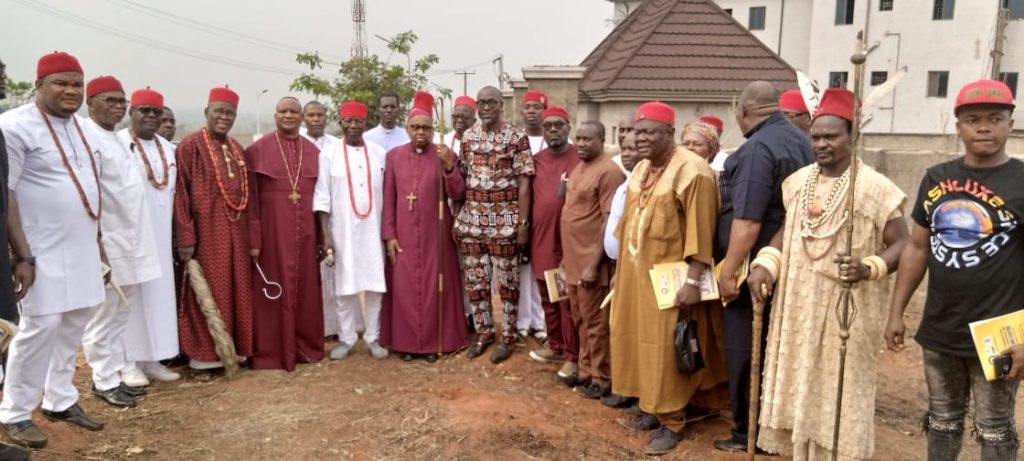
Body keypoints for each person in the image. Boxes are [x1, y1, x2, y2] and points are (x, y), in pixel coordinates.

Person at [748, 88, 909, 460]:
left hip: (845, 306)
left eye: (831, 136)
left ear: (852, 136)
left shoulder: (874, 188)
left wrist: (870, 267)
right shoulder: (798, 182)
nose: (821, 144)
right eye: (816, 136)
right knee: (798, 384)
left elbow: (903, 244)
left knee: (840, 390)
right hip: (797, 305)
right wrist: (765, 264)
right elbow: (787, 231)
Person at [885, 79, 1022, 460]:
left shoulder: (1022, 181)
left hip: (1000, 332)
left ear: (1010, 123)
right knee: (943, 419)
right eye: (973, 119)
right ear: (958, 125)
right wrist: (896, 312)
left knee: (995, 427)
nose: (983, 127)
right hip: (941, 326)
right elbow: (916, 247)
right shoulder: (937, 177)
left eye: (995, 118)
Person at [0, 51, 106, 448]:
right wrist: (20, 254)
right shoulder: (13, 126)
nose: (70, 91)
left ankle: (61, 398)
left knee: (74, 322)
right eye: (60, 83)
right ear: (39, 85)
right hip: (38, 248)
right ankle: (15, 410)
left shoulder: (83, 127)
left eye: (77, 84)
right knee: (38, 328)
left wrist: (97, 241)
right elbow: (5, 192)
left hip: (81, 245)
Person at [610, 101, 725, 456]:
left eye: (648, 132)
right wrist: (619, 275)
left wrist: (691, 283)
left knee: (666, 347)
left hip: (670, 280)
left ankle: (673, 420)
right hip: (634, 275)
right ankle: (651, 405)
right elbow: (629, 225)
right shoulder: (642, 168)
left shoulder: (694, 172)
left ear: (670, 134)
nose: (639, 139)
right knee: (633, 339)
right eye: (636, 131)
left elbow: (702, 233)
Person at [714, 81, 814, 453]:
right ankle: (774, 427)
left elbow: (749, 220)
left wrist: (728, 272)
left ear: (742, 110)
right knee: (777, 347)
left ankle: (746, 432)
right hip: (793, 261)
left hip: (757, 268)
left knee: (745, 348)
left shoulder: (758, 148)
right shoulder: (801, 139)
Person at [82, 76, 161, 408]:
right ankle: (102, 378)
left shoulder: (116, 139)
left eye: (121, 101)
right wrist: (98, 243)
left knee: (119, 314)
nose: (117, 106)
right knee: (102, 315)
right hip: (108, 242)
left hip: (132, 241)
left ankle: (114, 372)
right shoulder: (86, 138)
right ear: (91, 103)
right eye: (109, 100)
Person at [380, 91, 469, 362]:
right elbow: (389, 199)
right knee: (405, 290)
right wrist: (389, 236)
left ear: (433, 130)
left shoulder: (445, 153)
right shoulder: (393, 156)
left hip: (436, 235)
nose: (421, 132)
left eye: (426, 128)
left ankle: (434, 344)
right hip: (404, 235)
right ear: (407, 129)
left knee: (435, 287)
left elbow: (458, 193)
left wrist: (450, 167)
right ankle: (406, 344)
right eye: (415, 127)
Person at [174, 86, 254, 372]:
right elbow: (181, 195)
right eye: (218, 111)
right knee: (209, 291)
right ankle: (205, 356)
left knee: (238, 290)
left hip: (237, 233)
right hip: (205, 235)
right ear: (206, 112)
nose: (224, 117)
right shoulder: (190, 146)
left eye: (229, 113)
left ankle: (237, 349)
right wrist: (186, 236)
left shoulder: (236, 148)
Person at [456, 86, 533, 363]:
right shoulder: (468, 136)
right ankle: (484, 333)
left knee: (507, 283)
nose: (486, 107)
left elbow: (525, 181)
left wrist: (522, 224)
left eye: (491, 102)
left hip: (505, 221)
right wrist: (460, 218)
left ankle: (508, 336)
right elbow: (463, 177)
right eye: (482, 103)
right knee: (476, 283)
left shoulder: (517, 137)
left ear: (501, 105)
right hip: (473, 222)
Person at [246, 97, 324, 371]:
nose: (288, 116)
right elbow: (252, 201)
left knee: (305, 291)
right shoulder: (257, 150)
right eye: (283, 111)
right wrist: (254, 240)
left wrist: (323, 238)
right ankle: (272, 351)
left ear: (301, 117)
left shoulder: (313, 151)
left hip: (305, 233)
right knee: (273, 291)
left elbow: (321, 202)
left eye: (294, 112)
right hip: (273, 233)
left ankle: (304, 347)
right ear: (275, 115)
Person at [116, 88, 181, 386]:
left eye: (157, 112)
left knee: (158, 298)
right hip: (128, 239)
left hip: (160, 237)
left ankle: (152, 358)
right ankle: (126, 363)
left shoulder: (168, 149)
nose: (152, 117)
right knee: (129, 303)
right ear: (132, 112)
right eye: (145, 111)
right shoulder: (118, 144)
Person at [314, 101, 388, 360]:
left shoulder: (379, 153)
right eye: (349, 121)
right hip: (341, 231)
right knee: (344, 287)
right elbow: (322, 197)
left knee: (376, 285)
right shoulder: (328, 154)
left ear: (365, 124)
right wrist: (326, 235)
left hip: (374, 230)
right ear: (341, 123)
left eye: (358, 121)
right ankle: (346, 338)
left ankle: (373, 337)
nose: (354, 125)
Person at [562, 120, 624, 400]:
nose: (582, 144)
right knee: (581, 321)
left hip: (591, 264)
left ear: (601, 140)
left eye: (588, 139)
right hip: (573, 261)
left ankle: (602, 379)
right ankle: (586, 372)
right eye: (579, 138)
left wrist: (593, 264)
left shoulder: (609, 172)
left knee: (597, 325)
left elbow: (608, 221)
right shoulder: (578, 166)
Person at [525, 106, 581, 386]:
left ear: (569, 127)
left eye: (559, 125)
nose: (553, 130)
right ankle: (556, 345)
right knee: (548, 297)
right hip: (541, 239)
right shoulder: (535, 160)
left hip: (568, 242)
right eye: (548, 126)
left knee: (567, 300)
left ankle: (573, 355)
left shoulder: (580, 158)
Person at [516, 90, 549, 344]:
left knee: (541, 270)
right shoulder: (516, 140)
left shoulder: (554, 142)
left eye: (536, 107)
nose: (531, 111)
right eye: (526, 107)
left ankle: (541, 322)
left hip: (545, 217)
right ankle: (522, 321)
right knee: (521, 269)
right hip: (520, 214)